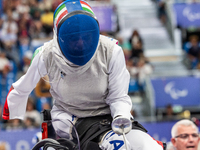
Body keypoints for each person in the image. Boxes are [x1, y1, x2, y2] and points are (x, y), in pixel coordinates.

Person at [2, 0, 164, 150]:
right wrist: (12, 111)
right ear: (58, 35)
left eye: (85, 36)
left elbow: (118, 97)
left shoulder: (111, 50)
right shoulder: (46, 54)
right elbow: (24, 85)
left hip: (109, 116)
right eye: (73, 38)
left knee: (149, 146)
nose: (80, 42)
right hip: (69, 117)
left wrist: (121, 116)